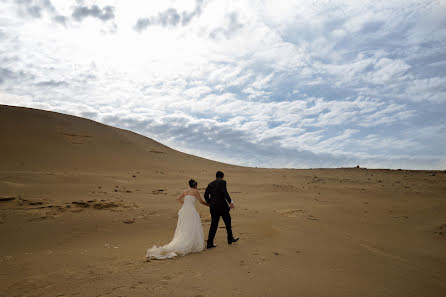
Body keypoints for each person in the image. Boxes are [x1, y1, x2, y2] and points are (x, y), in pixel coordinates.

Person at [146, 179, 208, 260]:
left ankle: (186, 240)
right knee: (192, 226)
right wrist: (208, 205)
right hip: (191, 211)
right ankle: (191, 242)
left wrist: (185, 204)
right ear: (195, 185)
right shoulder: (195, 191)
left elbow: (178, 198)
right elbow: (201, 201)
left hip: (184, 210)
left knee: (184, 226)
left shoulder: (185, 191)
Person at [205, 171, 239, 248]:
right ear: (222, 176)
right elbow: (224, 192)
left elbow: (205, 195)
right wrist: (230, 201)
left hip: (213, 208)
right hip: (223, 207)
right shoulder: (222, 182)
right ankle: (230, 239)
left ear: (216, 176)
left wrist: (210, 203)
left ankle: (209, 243)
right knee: (228, 223)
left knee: (213, 225)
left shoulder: (210, 184)